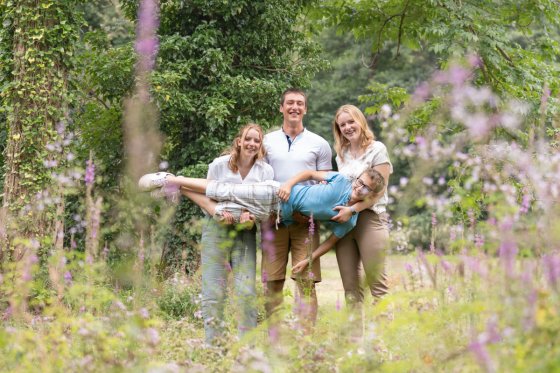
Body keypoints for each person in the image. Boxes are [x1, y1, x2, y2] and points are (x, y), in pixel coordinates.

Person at [138, 167, 385, 278]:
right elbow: (309, 174)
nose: (359, 187)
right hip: (276, 195)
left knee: (223, 214)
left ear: (372, 194)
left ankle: (176, 187)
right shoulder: (341, 180)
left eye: (366, 188)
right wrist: (288, 184)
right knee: (226, 191)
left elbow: (332, 241)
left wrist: (308, 260)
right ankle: (171, 178)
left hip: (274, 215)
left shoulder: (349, 219)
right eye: (360, 181)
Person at [190, 123, 273, 345]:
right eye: (248, 139)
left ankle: (248, 346)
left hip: (245, 232)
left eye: (257, 140)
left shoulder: (265, 171)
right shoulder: (219, 165)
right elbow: (206, 193)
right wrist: (216, 211)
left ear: (261, 145)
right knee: (213, 289)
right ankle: (213, 345)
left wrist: (251, 217)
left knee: (246, 291)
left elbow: (264, 204)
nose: (252, 143)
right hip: (216, 229)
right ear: (239, 141)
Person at [262, 88, 332, 327]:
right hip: (274, 221)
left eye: (300, 103)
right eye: (289, 103)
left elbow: (327, 185)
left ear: (306, 109)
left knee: (305, 282)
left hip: (306, 223)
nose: (295, 107)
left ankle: (305, 342)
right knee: (272, 281)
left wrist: (313, 214)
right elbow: (258, 179)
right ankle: (275, 339)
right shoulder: (266, 141)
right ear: (281, 108)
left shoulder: (320, 144)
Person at [329, 104, 393, 306]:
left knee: (378, 286)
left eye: (351, 122)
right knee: (351, 290)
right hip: (345, 223)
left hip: (370, 219)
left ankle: (384, 337)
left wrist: (352, 209)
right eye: (342, 125)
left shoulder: (377, 149)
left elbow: (378, 192)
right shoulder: (342, 153)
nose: (347, 127)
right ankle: (353, 338)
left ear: (360, 122)